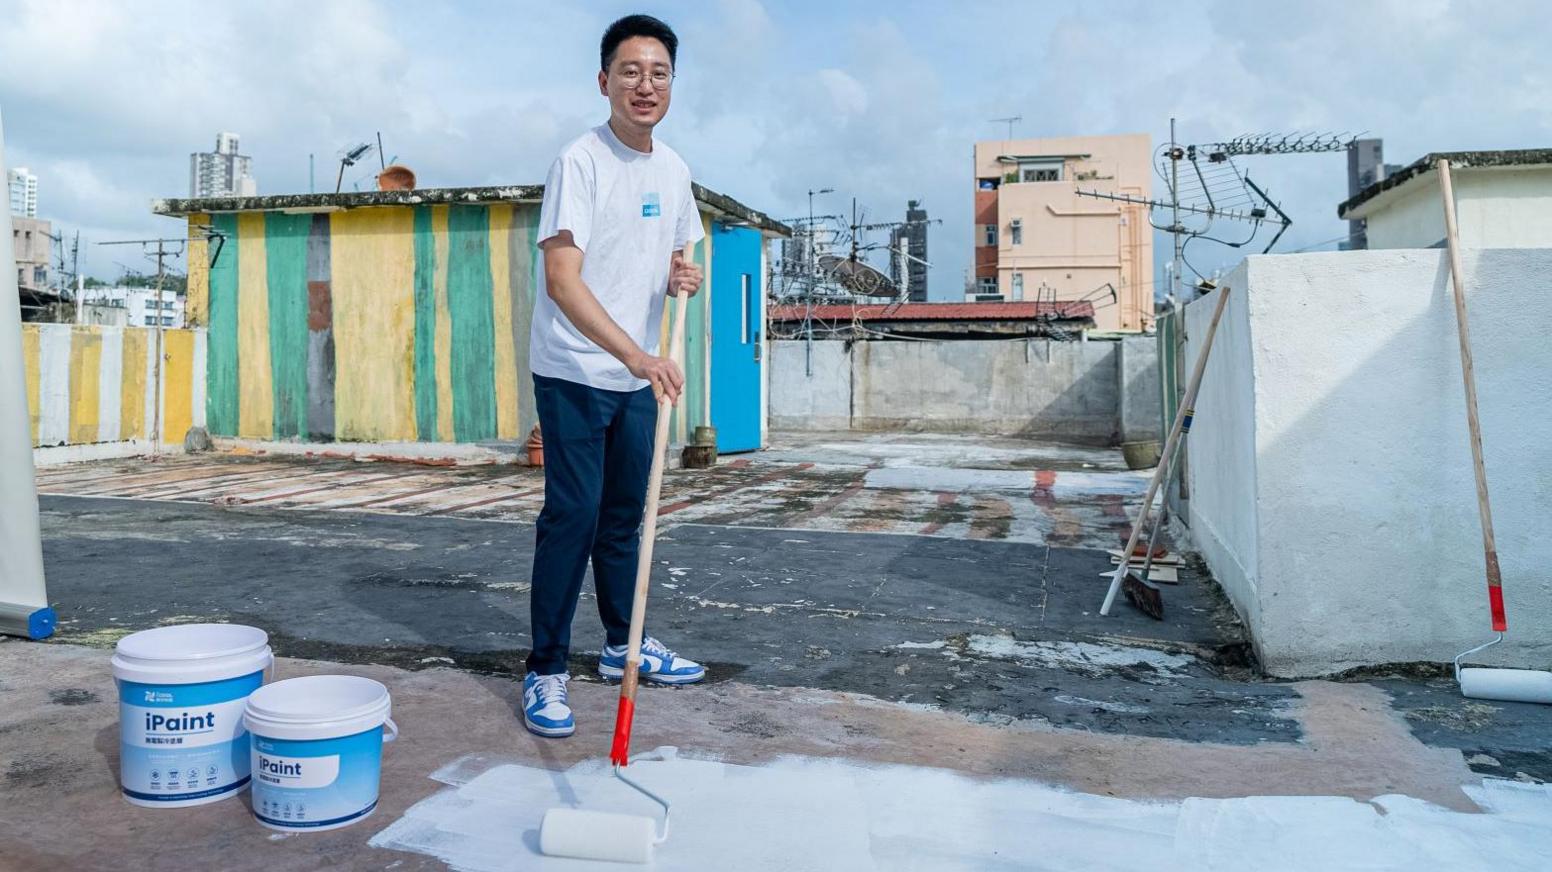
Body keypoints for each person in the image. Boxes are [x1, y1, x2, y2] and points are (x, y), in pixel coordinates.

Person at [521, 13, 707, 738]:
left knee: (628, 518)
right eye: (630, 71)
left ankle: (622, 645)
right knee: (574, 516)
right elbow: (563, 281)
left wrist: (680, 273)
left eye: (658, 73)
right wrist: (634, 354)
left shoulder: (675, 170)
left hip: (639, 377)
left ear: (671, 86)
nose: (644, 85)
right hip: (574, 371)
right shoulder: (580, 162)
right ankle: (545, 670)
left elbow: (678, 253)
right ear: (604, 81)